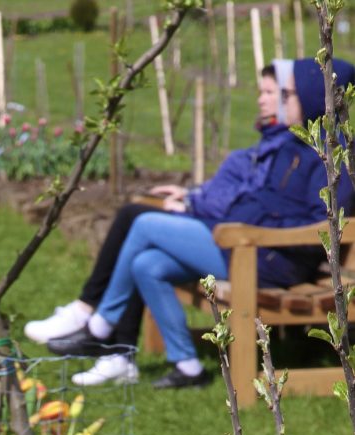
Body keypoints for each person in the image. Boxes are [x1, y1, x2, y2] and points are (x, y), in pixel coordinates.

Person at [25, 57, 355, 389]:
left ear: (314, 98)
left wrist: (255, 218)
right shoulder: (295, 146)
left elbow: (321, 225)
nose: (279, 103)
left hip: (269, 257)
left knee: (143, 224)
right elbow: (257, 198)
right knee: (147, 264)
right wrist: (231, 209)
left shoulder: (332, 159)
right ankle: (187, 366)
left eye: (288, 95)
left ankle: (98, 327)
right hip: (249, 243)